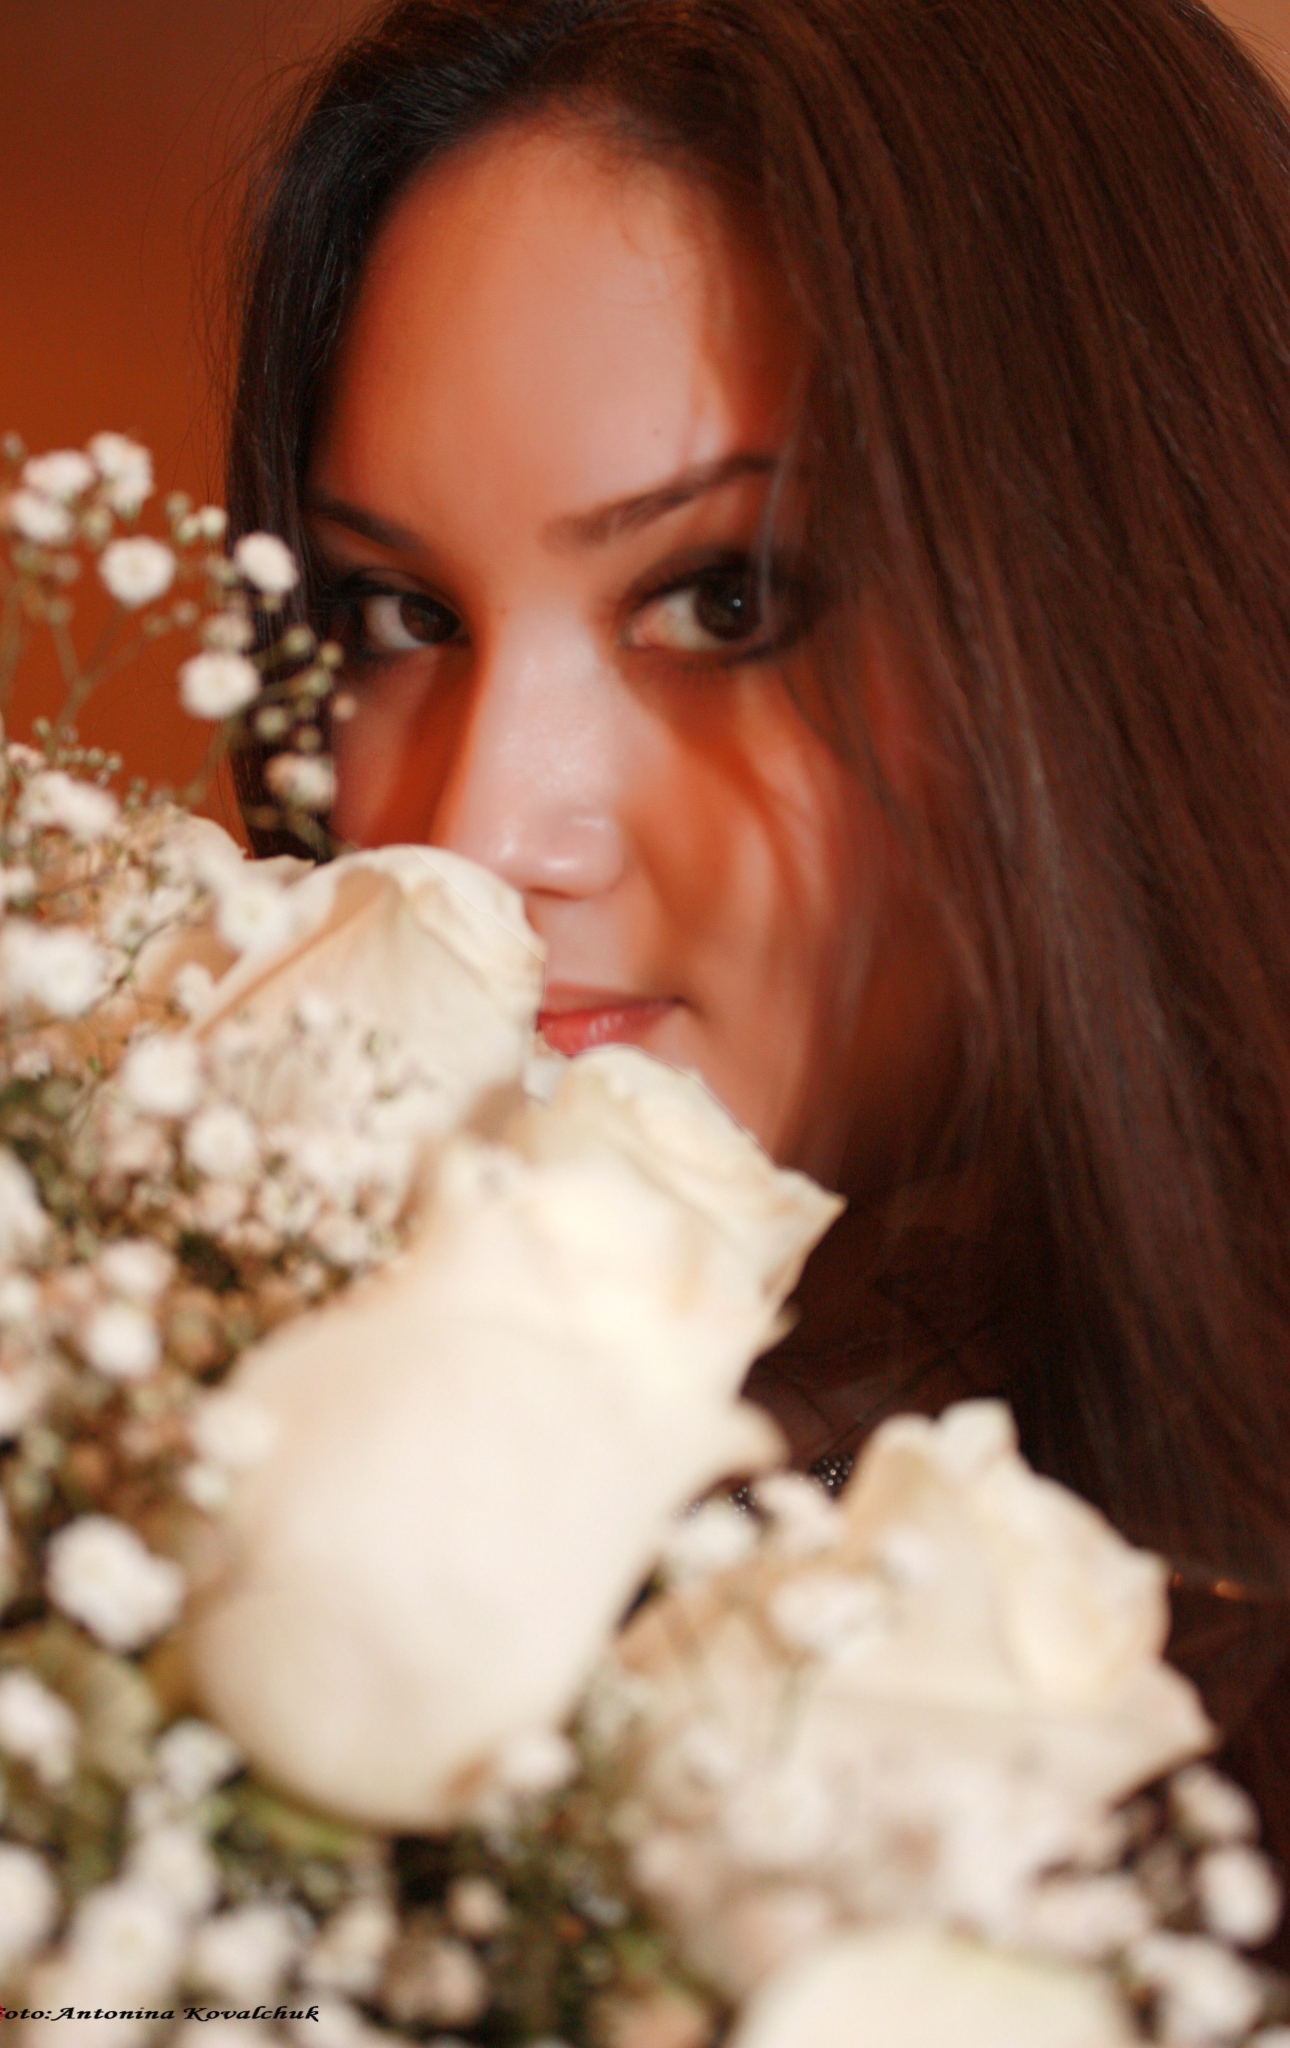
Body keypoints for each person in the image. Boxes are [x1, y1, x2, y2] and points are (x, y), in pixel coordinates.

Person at [226, 0, 1290, 1945]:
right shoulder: (150, 1505)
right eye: (397, 612)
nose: (468, 834)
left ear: (1121, 616)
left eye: (726, 597)